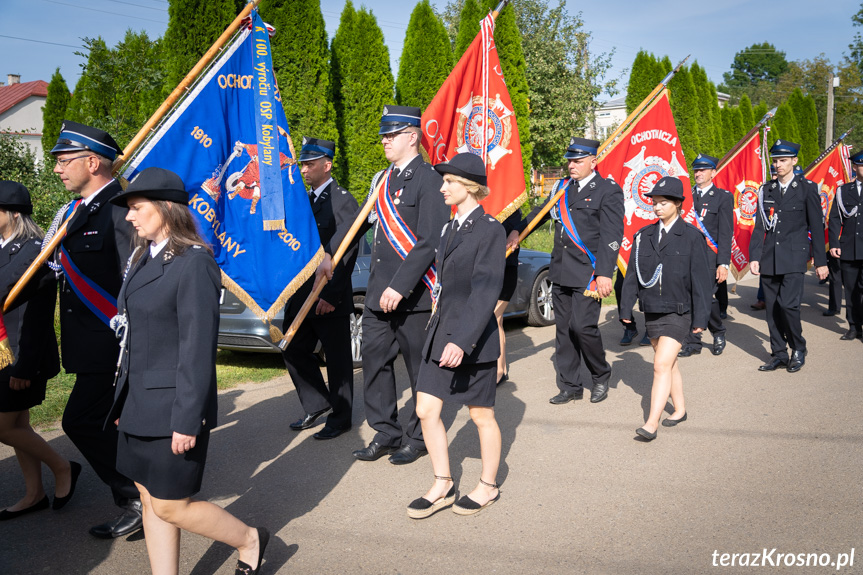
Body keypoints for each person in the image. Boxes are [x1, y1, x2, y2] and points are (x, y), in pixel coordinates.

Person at [106, 167, 269, 575]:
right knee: (148, 497)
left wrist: (187, 418)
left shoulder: (194, 262)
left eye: (136, 207)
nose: (129, 216)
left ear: (165, 208)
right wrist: (125, 398)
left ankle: (249, 538)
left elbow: (196, 349)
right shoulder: (143, 257)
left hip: (172, 405)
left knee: (171, 504)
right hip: (139, 401)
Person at [319, 106, 450, 465]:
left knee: (418, 369)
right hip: (379, 295)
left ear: (412, 136)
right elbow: (359, 224)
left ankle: (418, 436)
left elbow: (429, 242)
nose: (384, 140)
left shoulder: (430, 179)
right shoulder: (382, 180)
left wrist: (401, 286)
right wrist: (330, 255)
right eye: (383, 135)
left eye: (391, 135)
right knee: (375, 363)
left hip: (414, 296)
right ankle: (386, 431)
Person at [48, 120, 141, 537]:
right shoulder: (75, 211)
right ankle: (142, 499)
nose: (57, 169)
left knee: (81, 421)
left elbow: (135, 278)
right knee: (106, 424)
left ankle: (137, 498)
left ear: (93, 161)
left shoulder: (121, 209)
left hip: (114, 344)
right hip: (88, 344)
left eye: (64, 161)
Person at [407, 153, 505, 519]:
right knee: (426, 409)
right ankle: (443, 482)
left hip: (472, 337)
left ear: (470, 186)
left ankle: (488, 485)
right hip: (441, 332)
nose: (442, 187)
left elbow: (485, 291)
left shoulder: (490, 229)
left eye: (450, 182)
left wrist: (461, 341)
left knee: (480, 415)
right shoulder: (450, 228)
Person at [514, 137, 624, 404]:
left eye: (577, 161)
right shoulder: (563, 188)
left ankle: (600, 375)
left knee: (583, 327)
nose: (571, 165)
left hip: (588, 273)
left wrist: (604, 273)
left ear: (593, 161)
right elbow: (541, 213)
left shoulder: (607, 190)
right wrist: (517, 231)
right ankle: (570, 385)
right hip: (561, 270)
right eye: (569, 161)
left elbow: (612, 236)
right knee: (563, 330)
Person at [0, 181, 80, 520]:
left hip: (20, 354)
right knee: (17, 424)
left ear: (14, 213)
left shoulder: (34, 250)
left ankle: (63, 468)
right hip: (6, 351)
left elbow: (36, 316)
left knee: (4, 428)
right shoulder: (4, 247)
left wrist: (25, 366)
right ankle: (34, 494)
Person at [619, 177, 711, 441]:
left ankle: (651, 423)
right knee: (669, 365)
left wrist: (701, 318)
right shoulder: (643, 236)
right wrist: (626, 308)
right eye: (655, 203)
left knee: (660, 365)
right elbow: (633, 276)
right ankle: (680, 409)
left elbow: (702, 282)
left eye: (664, 203)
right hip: (653, 309)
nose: (657, 207)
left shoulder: (692, 237)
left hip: (680, 311)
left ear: (678, 204)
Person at [282, 138, 359, 440]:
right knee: (291, 346)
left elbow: (347, 251)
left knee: (338, 361)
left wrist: (331, 294)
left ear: (326, 166)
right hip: (302, 294)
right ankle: (317, 402)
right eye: (302, 164)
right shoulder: (306, 201)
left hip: (328, 296)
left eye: (310, 164)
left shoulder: (342, 200)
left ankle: (341, 418)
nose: (304, 170)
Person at [749, 140, 828, 373]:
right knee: (772, 308)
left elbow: (816, 226)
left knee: (789, 306)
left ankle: (798, 348)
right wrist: (755, 256)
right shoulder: (767, 190)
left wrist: (820, 262)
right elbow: (759, 226)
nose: (778, 164)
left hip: (794, 258)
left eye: (783, 160)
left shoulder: (808, 189)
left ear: (794, 161)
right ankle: (779, 354)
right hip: (769, 257)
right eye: (775, 160)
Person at [678, 154, 733, 357]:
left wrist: (723, 263)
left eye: (703, 170)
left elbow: (726, 233)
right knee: (689, 297)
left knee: (705, 298)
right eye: (696, 170)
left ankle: (718, 331)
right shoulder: (686, 195)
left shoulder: (723, 197)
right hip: (687, 255)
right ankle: (693, 342)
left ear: (713, 173)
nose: (698, 173)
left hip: (710, 256)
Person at [828, 151, 863, 341]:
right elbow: (834, 219)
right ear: (855, 167)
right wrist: (834, 242)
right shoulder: (843, 191)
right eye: (861, 165)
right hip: (848, 247)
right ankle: (853, 326)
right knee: (850, 290)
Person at [498, 209, 522, 384]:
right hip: (480, 269)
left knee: (494, 317)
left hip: (505, 268)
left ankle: (499, 370)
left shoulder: (511, 206)